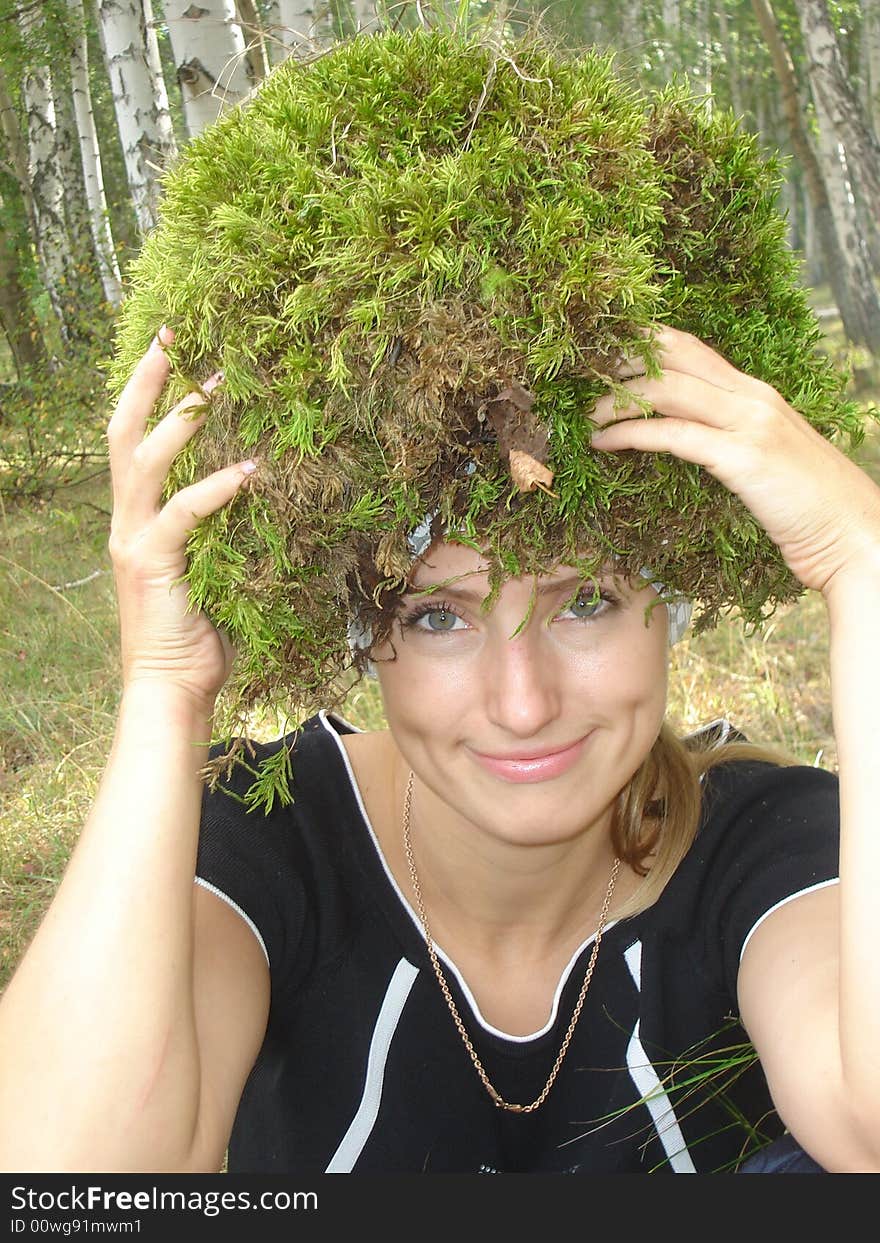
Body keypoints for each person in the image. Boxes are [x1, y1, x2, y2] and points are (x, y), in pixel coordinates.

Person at [0, 318, 878, 1174]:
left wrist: (861, 560)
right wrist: (162, 689)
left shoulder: (761, 839)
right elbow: (71, 1186)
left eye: (584, 602)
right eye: (435, 616)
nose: (524, 704)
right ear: (360, 631)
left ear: (670, 606)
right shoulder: (274, 828)